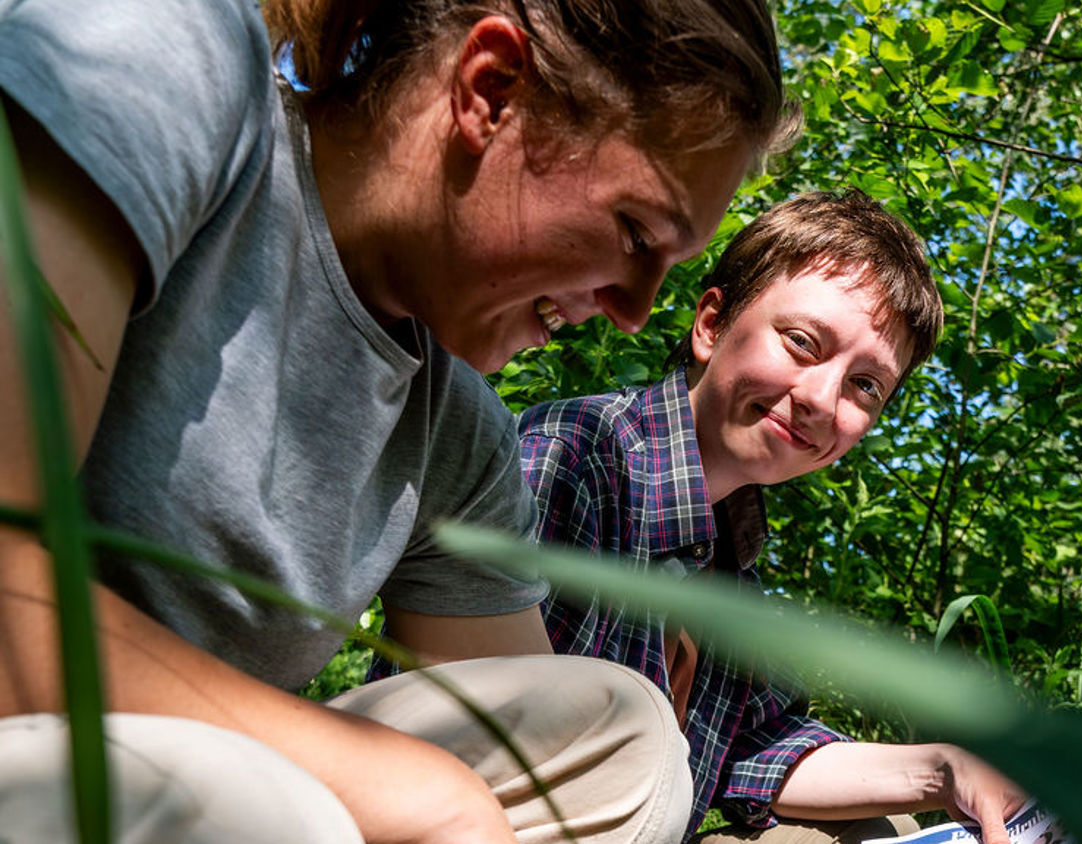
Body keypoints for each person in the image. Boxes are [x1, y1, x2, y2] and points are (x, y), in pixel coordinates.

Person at [0, 0, 797, 842]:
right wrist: (410, 794)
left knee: (622, 737)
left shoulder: (452, 434)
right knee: (285, 811)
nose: (638, 312)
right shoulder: (161, 55)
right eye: (637, 232)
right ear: (491, 90)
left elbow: (527, 749)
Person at [518, 191, 1028, 844]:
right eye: (802, 342)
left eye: (865, 386)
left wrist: (945, 769)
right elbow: (474, 721)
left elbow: (762, 748)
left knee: (879, 826)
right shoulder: (579, 458)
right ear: (710, 325)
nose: (821, 398)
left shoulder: (726, 567)